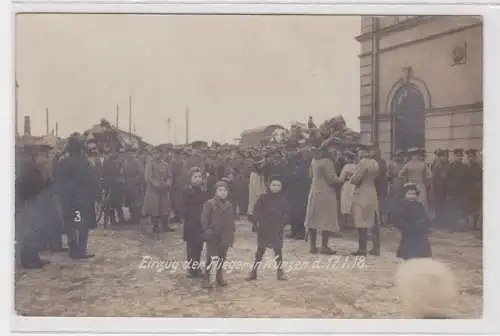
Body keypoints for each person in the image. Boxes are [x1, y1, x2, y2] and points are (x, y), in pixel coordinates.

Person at [55, 134, 95, 259]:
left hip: (67, 200)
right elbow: (91, 181)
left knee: (70, 225)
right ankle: (80, 250)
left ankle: (73, 249)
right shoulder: (85, 162)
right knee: (81, 224)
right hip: (81, 201)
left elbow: (58, 180)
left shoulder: (62, 162)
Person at [245, 175, 289, 281]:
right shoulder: (263, 198)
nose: (275, 187)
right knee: (260, 250)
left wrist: (283, 222)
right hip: (264, 228)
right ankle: (254, 271)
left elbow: (287, 213)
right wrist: (258, 221)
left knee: (278, 250)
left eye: (278, 185)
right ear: (269, 185)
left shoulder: (283, 199)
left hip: (276, 228)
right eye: (273, 185)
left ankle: (280, 271)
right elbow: (256, 211)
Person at [304, 142, 342, 255]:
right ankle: (324, 246)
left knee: (313, 216)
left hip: (314, 190)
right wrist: (343, 179)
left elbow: (310, 176)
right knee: (326, 218)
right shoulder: (327, 162)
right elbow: (332, 179)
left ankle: (312, 246)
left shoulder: (313, 161)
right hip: (326, 192)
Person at [201, 181, 236, 288]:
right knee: (211, 257)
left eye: (225, 190)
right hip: (213, 235)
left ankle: (219, 275)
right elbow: (204, 219)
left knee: (222, 256)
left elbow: (231, 221)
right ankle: (206, 277)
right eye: (220, 190)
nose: (223, 193)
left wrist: (231, 235)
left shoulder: (229, 205)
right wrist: (207, 231)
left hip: (225, 235)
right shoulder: (210, 204)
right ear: (215, 192)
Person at [350, 145, 380, 256]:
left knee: (361, 219)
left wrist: (351, 179)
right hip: (372, 190)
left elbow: (356, 179)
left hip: (362, 192)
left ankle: (362, 248)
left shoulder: (362, 163)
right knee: (373, 219)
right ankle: (376, 248)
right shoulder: (375, 163)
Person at [180, 167, 208, 278]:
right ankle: (192, 268)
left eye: (199, 177)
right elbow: (182, 208)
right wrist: (189, 218)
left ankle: (196, 266)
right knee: (191, 247)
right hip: (191, 224)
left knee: (199, 246)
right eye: (195, 177)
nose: (198, 179)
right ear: (189, 179)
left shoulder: (202, 192)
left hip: (200, 223)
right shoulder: (186, 192)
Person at [393, 183, 432, 260]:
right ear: (404, 194)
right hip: (408, 232)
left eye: (414, 194)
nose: (412, 196)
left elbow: (424, 217)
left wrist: (422, 225)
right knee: (408, 250)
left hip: (419, 231)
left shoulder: (419, 205)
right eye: (409, 194)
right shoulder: (402, 206)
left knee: (420, 251)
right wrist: (406, 227)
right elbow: (397, 219)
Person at [143, 148, 173, 235]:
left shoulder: (166, 164)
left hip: (164, 189)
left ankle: (165, 225)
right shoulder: (150, 163)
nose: (159, 155)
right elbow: (148, 177)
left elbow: (169, 176)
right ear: (154, 153)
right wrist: (157, 185)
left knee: (165, 208)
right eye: (157, 153)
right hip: (154, 190)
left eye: (160, 153)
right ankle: (155, 225)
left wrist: (167, 184)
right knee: (155, 208)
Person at [398, 147, 432, 215]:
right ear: (418, 155)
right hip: (420, 186)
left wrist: (406, 180)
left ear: (412, 156)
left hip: (411, 186)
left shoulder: (408, 164)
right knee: (422, 203)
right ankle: (423, 219)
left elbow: (400, 174)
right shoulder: (423, 164)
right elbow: (430, 175)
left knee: (411, 202)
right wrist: (426, 182)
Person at [385, 149, 406, 225]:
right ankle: (390, 218)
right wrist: (390, 178)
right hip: (394, 184)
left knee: (401, 202)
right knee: (392, 201)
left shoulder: (404, 164)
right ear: (395, 156)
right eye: (398, 155)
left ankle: (400, 218)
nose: (400, 157)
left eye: (401, 155)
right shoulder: (391, 164)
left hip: (403, 184)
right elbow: (387, 175)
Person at [338, 150, 357, 230]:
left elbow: (341, 178)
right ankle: (352, 223)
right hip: (355, 186)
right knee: (353, 203)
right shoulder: (357, 166)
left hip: (347, 185)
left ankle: (345, 223)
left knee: (345, 203)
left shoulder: (346, 167)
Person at [466, 149, 482, 230]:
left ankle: (475, 225)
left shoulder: (477, 166)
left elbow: (477, 178)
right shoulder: (469, 166)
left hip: (476, 190)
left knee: (475, 208)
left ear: (475, 157)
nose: (470, 158)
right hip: (470, 190)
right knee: (471, 208)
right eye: (469, 157)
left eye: (471, 157)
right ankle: (472, 224)